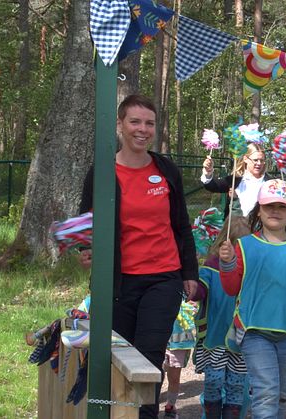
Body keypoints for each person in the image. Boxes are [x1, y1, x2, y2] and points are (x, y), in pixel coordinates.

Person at [78, 94, 199, 418]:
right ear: (119, 125)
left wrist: (190, 272)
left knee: (147, 358)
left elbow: (182, 225)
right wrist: (85, 250)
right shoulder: (102, 172)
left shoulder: (166, 169)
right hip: (116, 283)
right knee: (117, 357)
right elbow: (84, 223)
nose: (142, 129)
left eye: (149, 123)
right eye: (135, 121)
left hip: (163, 278)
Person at [218, 179, 286, 418]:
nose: (275, 210)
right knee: (266, 392)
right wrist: (228, 262)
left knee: (283, 394)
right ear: (258, 210)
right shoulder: (244, 245)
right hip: (253, 331)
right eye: (268, 205)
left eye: (282, 206)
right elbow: (231, 288)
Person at [193, 215, 251, 419]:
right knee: (213, 382)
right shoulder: (211, 266)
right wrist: (191, 288)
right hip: (216, 337)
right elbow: (199, 291)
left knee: (237, 384)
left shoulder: (250, 269)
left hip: (241, 339)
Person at [201, 143, 269, 217]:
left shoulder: (270, 182)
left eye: (262, 160)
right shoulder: (234, 180)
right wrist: (208, 172)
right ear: (245, 159)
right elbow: (212, 186)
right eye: (255, 160)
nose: (259, 163)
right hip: (235, 226)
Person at [162, 300, 197, 418]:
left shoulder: (187, 290)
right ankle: (151, 406)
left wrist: (194, 305)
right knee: (156, 376)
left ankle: (170, 406)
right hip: (158, 338)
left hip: (179, 343)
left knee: (174, 378)